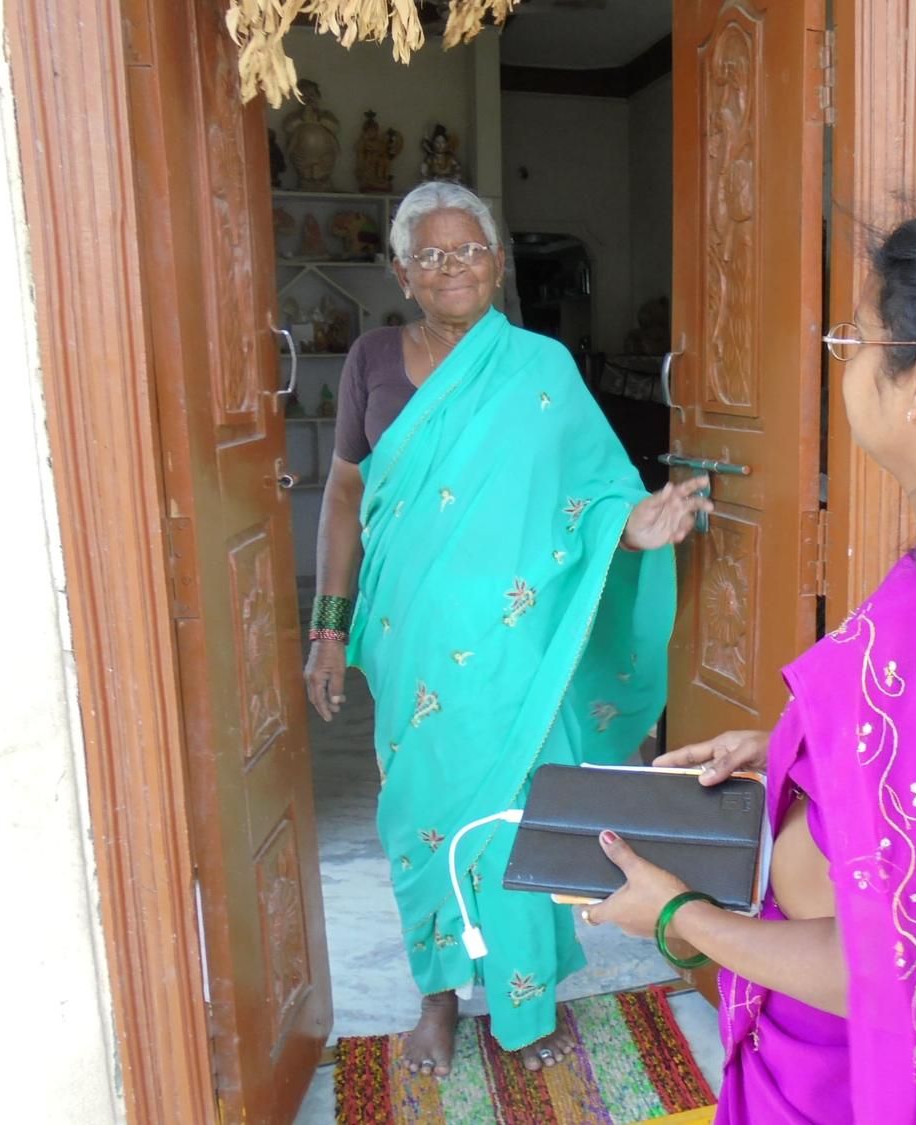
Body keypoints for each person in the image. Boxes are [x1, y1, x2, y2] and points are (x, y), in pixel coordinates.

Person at [588, 208, 916, 1122]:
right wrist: (800, 755)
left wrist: (679, 919)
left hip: (860, 1076)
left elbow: (888, 970)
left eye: (853, 339)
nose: (841, 363)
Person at [303, 181, 709, 1076]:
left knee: (518, 815)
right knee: (421, 815)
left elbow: (597, 489)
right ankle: (438, 997)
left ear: (498, 264)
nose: (453, 267)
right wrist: (329, 628)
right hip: (410, 645)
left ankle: (527, 1001)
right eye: (432, 255)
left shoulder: (542, 369)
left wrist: (637, 524)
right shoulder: (370, 360)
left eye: (471, 250)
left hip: (516, 646)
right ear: (403, 274)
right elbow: (343, 491)